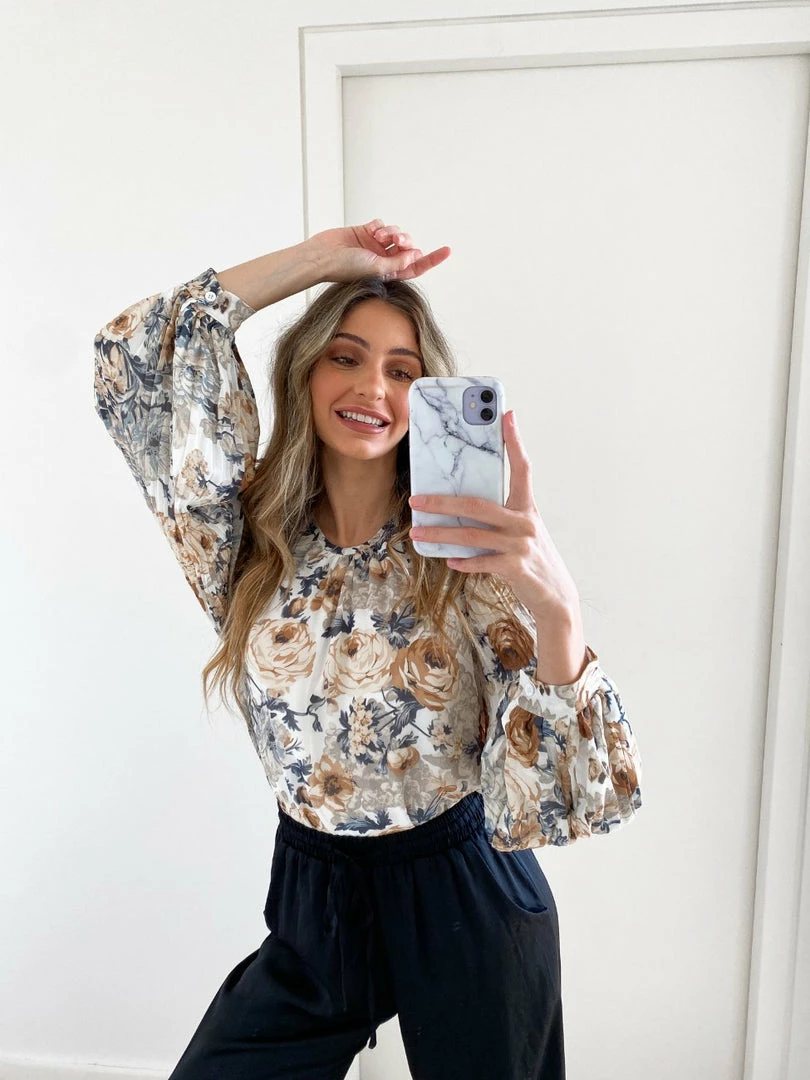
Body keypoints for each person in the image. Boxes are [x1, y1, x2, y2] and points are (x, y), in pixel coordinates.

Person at [92, 219, 643, 1080]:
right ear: (304, 370)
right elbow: (131, 359)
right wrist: (321, 260)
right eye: (344, 356)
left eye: (402, 371)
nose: (371, 387)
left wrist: (557, 606)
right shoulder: (247, 542)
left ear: (428, 397)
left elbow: (559, 799)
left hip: (463, 892)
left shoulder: (466, 553)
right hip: (315, 896)